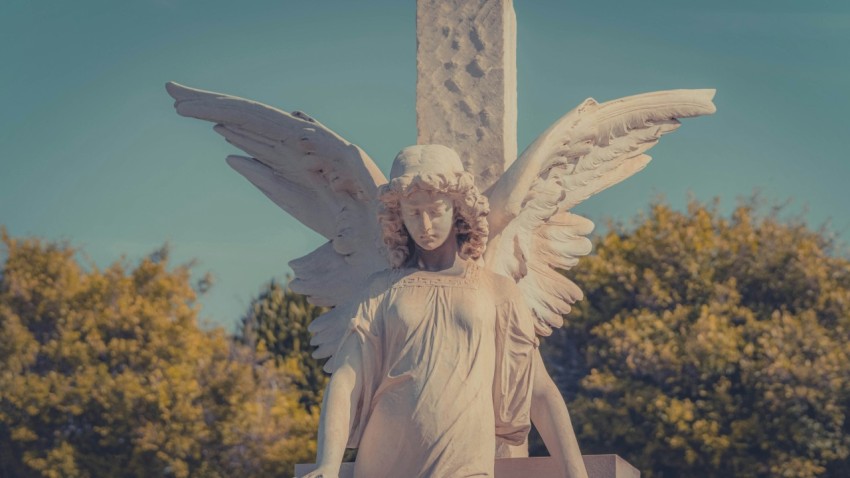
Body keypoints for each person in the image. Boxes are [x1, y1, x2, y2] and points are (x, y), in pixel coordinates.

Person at [303, 145, 587, 478]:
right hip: (386, 457)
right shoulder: (380, 290)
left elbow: (538, 390)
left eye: (436, 210)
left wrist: (575, 471)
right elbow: (346, 380)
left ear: (458, 209)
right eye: (413, 212)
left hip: (463, 457)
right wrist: (327, 463)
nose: (425, 224)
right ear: (399, 217)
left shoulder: (496, 290)